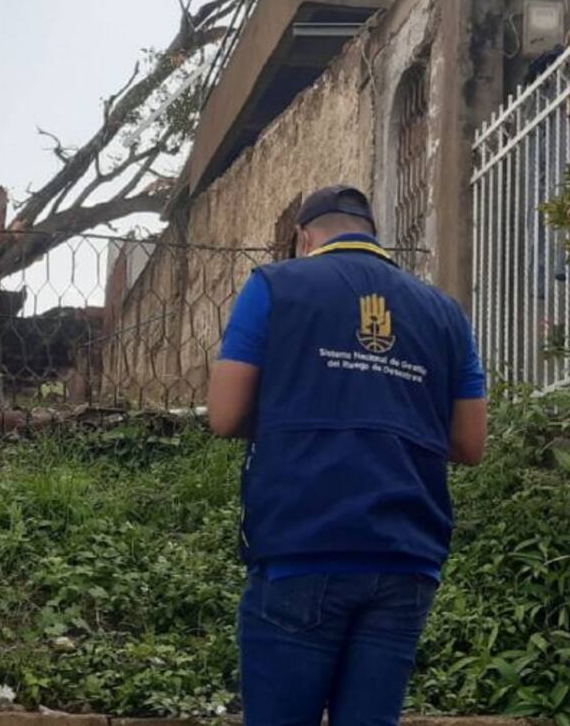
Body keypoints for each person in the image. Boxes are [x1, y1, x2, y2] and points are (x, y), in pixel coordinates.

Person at [207, 185, 488, 726]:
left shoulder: (275, 285)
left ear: (304, 238)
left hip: (301, 547)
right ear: (372, 235)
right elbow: (469, 444)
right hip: (406, 556)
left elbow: (224, 416)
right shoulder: (445, 313)